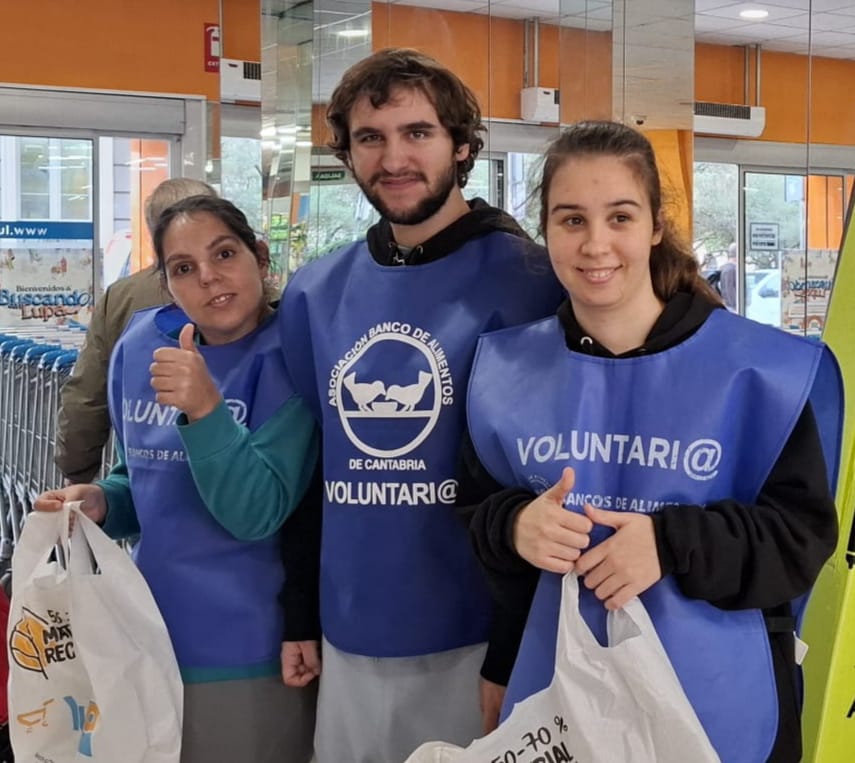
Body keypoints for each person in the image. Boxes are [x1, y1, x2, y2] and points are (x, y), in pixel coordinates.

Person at [458, 121, 840, 763]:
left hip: (721, 700)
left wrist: (670, 544)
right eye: (571, 219)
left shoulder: (758, 371)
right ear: (545, 230)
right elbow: (476, 510)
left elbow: (800, 539)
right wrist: (516, 526)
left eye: (620, 217)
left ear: (655, 226)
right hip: (561, 702)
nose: (596, 244)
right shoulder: (504, 371)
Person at [278, 47, 565, 763]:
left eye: (417, 133)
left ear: (461, 146)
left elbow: (550, 482)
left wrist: (511, 648)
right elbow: (314, 472)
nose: (393, 157)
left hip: (475, 632)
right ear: (346, 153)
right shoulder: (317, 293)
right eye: (370, 138)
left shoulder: (535, 282)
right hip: (349, 632)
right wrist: (301, 614)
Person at [35, 196, 319, 763]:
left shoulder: (294, 359)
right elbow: (143, 474)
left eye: (224, 253)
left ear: (260, 258)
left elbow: (256, 511)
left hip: (249, 647)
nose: (209, 277)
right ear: (166, 284)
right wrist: (101, 500)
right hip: (146, 632)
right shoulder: (141, 347)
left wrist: (207, 409)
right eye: (183, 268)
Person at [55, 177, 217, 484]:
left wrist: (76, 471)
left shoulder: (121, 298)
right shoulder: (247, 295)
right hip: (233, 458)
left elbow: (87, 398)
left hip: (146, 469)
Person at [719, 241, 738, 310]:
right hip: (732, 307)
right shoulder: (730, 269)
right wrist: (736, 306)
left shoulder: (728, 268)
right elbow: (729, 289)